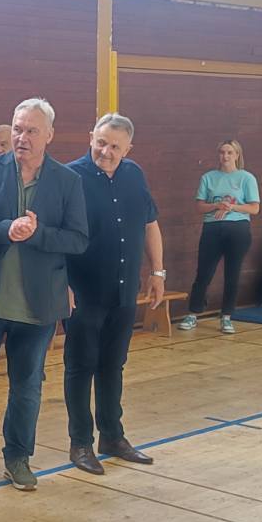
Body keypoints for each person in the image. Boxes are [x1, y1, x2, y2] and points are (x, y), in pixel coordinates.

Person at [0, 98, 88, 491]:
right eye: (18, 129)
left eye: (31, 131)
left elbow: (77, 239)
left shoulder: (68, 181)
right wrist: (5, 229)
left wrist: (37, 233)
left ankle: (18, 458)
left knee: (27, 386)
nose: (22, 137)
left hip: (38, 306)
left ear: (49, 135)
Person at [59, 113, 161, 477]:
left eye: (115, 146)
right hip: (83, 292)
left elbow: (150, 224)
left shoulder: (135, 175)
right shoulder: (70, 177)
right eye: (101, 142)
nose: (106, 151)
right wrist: (61, 283)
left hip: (123, 290)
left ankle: (112, 437)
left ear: (128, 148)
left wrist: (158, 271)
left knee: (113, 365)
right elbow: (55, 235)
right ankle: (80, 442)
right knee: (80, 366)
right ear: (91, 137)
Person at [177, 140, 260, 334]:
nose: (225, 156)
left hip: (238, 228)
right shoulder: (209, 177)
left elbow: (254, 208)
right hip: (213, 229)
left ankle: (227, 316)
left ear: (237, 155)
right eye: (222, 152)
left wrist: (232, 207)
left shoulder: (246, 178)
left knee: (232, 273)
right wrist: (216, 205)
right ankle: (193, 313)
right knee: (204, 272)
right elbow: (199, 206)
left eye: (230, 152)